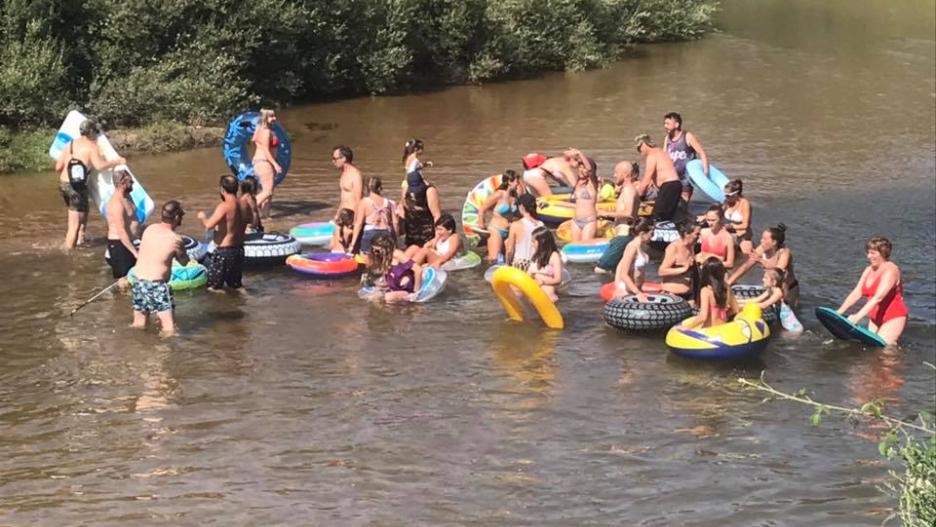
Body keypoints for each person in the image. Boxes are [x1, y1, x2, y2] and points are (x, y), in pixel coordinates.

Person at [53, 118, 126, 249]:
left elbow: (58, 167)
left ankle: (81, 239)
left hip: (64, 185)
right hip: (77, 188)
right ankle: (68, 253)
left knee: (84, 210)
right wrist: (117, 161)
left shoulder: (69, 145)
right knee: (73, 225)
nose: (97, 134)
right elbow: (99, 166)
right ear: (91, 131)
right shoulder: (92, 147)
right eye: (96, 132)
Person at [131, 200, 189, 336]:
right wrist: (183, 253)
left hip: (139, 281)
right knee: (169, 328)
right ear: (176, 217)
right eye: (181, 216)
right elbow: (184, 262)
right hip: (157, 286)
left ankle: (136, 349)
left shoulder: (149, 229)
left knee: (138, 324)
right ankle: (165, 355)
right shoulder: (175, 239)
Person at [836, 236, 907, 345]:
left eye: (873, 253)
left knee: (885, 350)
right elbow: (857, 292)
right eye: (868, 253)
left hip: (893, 316)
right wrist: (839, 312)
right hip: (875, 316)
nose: (868, 256)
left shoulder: (891, 270)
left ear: (883, 253)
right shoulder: (868, 270)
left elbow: (878, 297)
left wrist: (857, 317)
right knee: (871, 350)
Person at [728, 224, 800, 309]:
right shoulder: (761, 248)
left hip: (788, 290)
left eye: (765, 239)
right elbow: (745, 267)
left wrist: (761, 260)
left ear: (774, 242)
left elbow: (778, 272)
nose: (761, 241)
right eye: (762, 238)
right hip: (772, 288)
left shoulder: (784, 252)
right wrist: (729, 282)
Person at [198, 175, 246, 291]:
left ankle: (222, 305)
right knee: (236, 286)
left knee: (214, 288)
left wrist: (202, 217)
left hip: (224, 252)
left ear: (222, 189)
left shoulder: (224, 206)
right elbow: (250, 220)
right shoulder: (243, 204)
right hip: (238, 250)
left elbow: (209, 225)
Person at [400, 139, 442, 248]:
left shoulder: (407, 159)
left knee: (409, 209)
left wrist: (425, 164)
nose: (422, 151)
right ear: (416, 149)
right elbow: (416, 170)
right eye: (421, 149)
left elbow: (411, 171)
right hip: (415, 182)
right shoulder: (415, 159)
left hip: (408, 183)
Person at [681, 256, 738, 329]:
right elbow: (735, 309)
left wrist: (686, 327)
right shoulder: (726, 288)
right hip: (723, 328)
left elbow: (703, 317)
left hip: (709, 330)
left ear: (705, 273)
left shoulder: (706, 291)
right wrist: (723, 314)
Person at [635, 134, 682, 222]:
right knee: (668, 217)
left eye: (639, 148)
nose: (639, 151)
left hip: (669, 186)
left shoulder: (652, 156)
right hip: (676, 185)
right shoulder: (660, 153)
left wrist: (639, 196)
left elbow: (646, 179)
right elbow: (652, 180)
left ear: (644, 144)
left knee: (658, 217)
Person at [663, 112, 709, 202]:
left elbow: (702, 152)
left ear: (676, 124)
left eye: (667, 123)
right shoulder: (667, 139)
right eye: (664, 123)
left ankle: (686, 213)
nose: (665, 126)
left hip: (686, 177)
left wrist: (705, 170)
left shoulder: (687, 136)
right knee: (672, 202)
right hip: (673, 176)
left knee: (684, 201)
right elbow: (664, 158)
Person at [105, 170, 139, 289]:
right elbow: (121, 232)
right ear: (122, 183)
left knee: (135, 275)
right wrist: (135, 253)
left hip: (131, 241)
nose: (133, 183)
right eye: (130, 181)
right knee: (124, 279)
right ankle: (122, 303)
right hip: (120, 243)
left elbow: (134, 219)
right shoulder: (116, 203)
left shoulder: (128, 196)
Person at [364, 233, 423, 303]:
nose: (376, 253)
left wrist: (416, 292)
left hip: (406, 290)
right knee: (370, 297)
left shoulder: (397, 254)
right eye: (373, 250)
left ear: (386, 248)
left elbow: (418, 270)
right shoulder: (385, 257)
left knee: (388, 298)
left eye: (377, 251)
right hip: (394, 288)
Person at [476, 171, 520, 262]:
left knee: (508, 260)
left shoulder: (515, 196)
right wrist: (481, 226)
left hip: (509, 232)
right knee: (494, 259)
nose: (518, 184)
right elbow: (482, 209)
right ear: (509, 181)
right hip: (496, 230)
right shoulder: (499, 194)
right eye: (516, 181)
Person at [350, 177, 398, 256]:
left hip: (371, 232)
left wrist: (352, 244)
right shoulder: (388, 202)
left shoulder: (364, 202)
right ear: (380, 188)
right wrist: (396, 240)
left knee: (366, 257)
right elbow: (395, 223)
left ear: (367, 188)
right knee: (385, 257)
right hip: (386, 232)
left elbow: (358, 224)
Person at [613, 219, 654, 301]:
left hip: (637, 289)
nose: (652, 237)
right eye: (651, 234)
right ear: (642, 234)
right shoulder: (632, 247)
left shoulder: (644, 247)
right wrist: (638, 293)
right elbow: (623, 274)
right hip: (628, 290)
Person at [658, 221, 701, 300]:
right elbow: (662, 271)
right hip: (672, 295)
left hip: (689, 295)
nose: (699, 237)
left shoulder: (691, 247)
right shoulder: (673, 248)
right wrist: (683, 269)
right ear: (686, 234)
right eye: (696, 234)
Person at [252, 108, 282, 218]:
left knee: (268, 193)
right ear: (265, 118)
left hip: (259, 162)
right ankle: (247, 208)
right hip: (265, 162)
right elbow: (266, 150)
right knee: (268, 192)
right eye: (272, 116)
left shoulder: (258, 129)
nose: (275, 118)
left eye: (274, 116)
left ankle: (265, 217)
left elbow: (254, 141)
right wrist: (275, 164)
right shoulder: (266, 132)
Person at [565, 148, 599, 242]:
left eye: (583, 167)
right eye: (580, 167)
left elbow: (589, 169)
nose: (581, 169)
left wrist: (579, 153)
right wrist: (571, 156)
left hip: (589, 221)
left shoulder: (592, 183)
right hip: (576, 221)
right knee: (575, 246)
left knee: (585, 245)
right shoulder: (578, 183)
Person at [505, 193, 544, 271]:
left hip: (521, 266)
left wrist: (507, 265)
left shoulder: (516, 225)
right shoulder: (541, 224)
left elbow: (510, 250)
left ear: (521, 207)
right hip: (536, 266)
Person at [527, 226, 563, 303]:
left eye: (533, 242)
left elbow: (558, 279)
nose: (531, 244)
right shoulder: (536, 255)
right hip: (534, 297)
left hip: (548, 299)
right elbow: (528, 275)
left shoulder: (554, 256)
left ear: (542, 242)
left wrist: (543, 282)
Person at [696, 205, 736, 269]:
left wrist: (707, 264)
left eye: (713, 220)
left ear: (721, 219)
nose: (710, 223)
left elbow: (730, 263)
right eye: (708, 220)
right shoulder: (703, 232)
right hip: (702, 268)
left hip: (717, 270)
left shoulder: (728, 238)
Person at [722, 179, 753, 255]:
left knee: (746, 258)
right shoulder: (727, 202)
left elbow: (745, 225)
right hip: (729, 234)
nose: (726, 197)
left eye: (728, 195)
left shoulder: (745, 203)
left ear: (736, 193)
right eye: (724, 194)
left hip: (743, 236)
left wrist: (730, 226)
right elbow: (718, 213)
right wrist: (705, 216)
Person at [332, 145, 363, 220]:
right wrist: (338, 214)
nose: (333, 161)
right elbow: (344, 198)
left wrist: (356, 220)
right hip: (344, 215)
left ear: (344, 159)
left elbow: (358, 200)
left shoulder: (355, 175)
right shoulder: (344, 173)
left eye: (334, 159)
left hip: (352, 216)